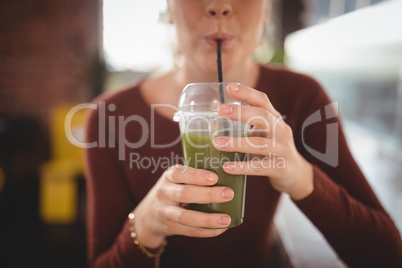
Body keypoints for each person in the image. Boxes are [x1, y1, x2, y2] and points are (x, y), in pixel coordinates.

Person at [84, 0, 402, 267]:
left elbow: (387, 254)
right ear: (170, 8)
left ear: (266, 11)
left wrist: (303, 178)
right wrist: (145, 225)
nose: (220, 6)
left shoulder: (300, 96)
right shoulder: (110, 116)